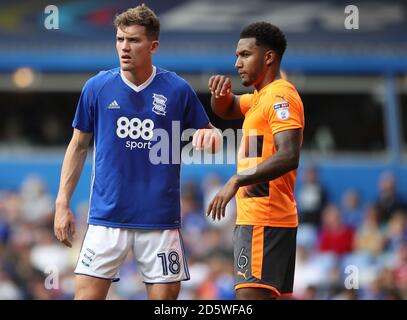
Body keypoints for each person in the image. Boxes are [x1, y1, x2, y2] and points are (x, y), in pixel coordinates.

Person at [54, 4, 220, 300]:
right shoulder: (97, 87)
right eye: (120, 39)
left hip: (159, 221)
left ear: (153, 45)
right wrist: (62, 203)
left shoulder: (177, 89)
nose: (124, 47)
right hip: (106, 217)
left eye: (133, 40)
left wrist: (209, 134)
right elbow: (78, 146)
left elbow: (210, 131)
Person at [207, 22, 304, 299]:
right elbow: (226, 110)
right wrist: (219, 95)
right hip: (269, 220)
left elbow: (289, 154)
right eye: (237, 56)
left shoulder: (280, 96)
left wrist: (237, 180)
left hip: (263, 221)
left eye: (245, 55)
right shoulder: (260, 98)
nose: (237, 63)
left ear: (269, 57)